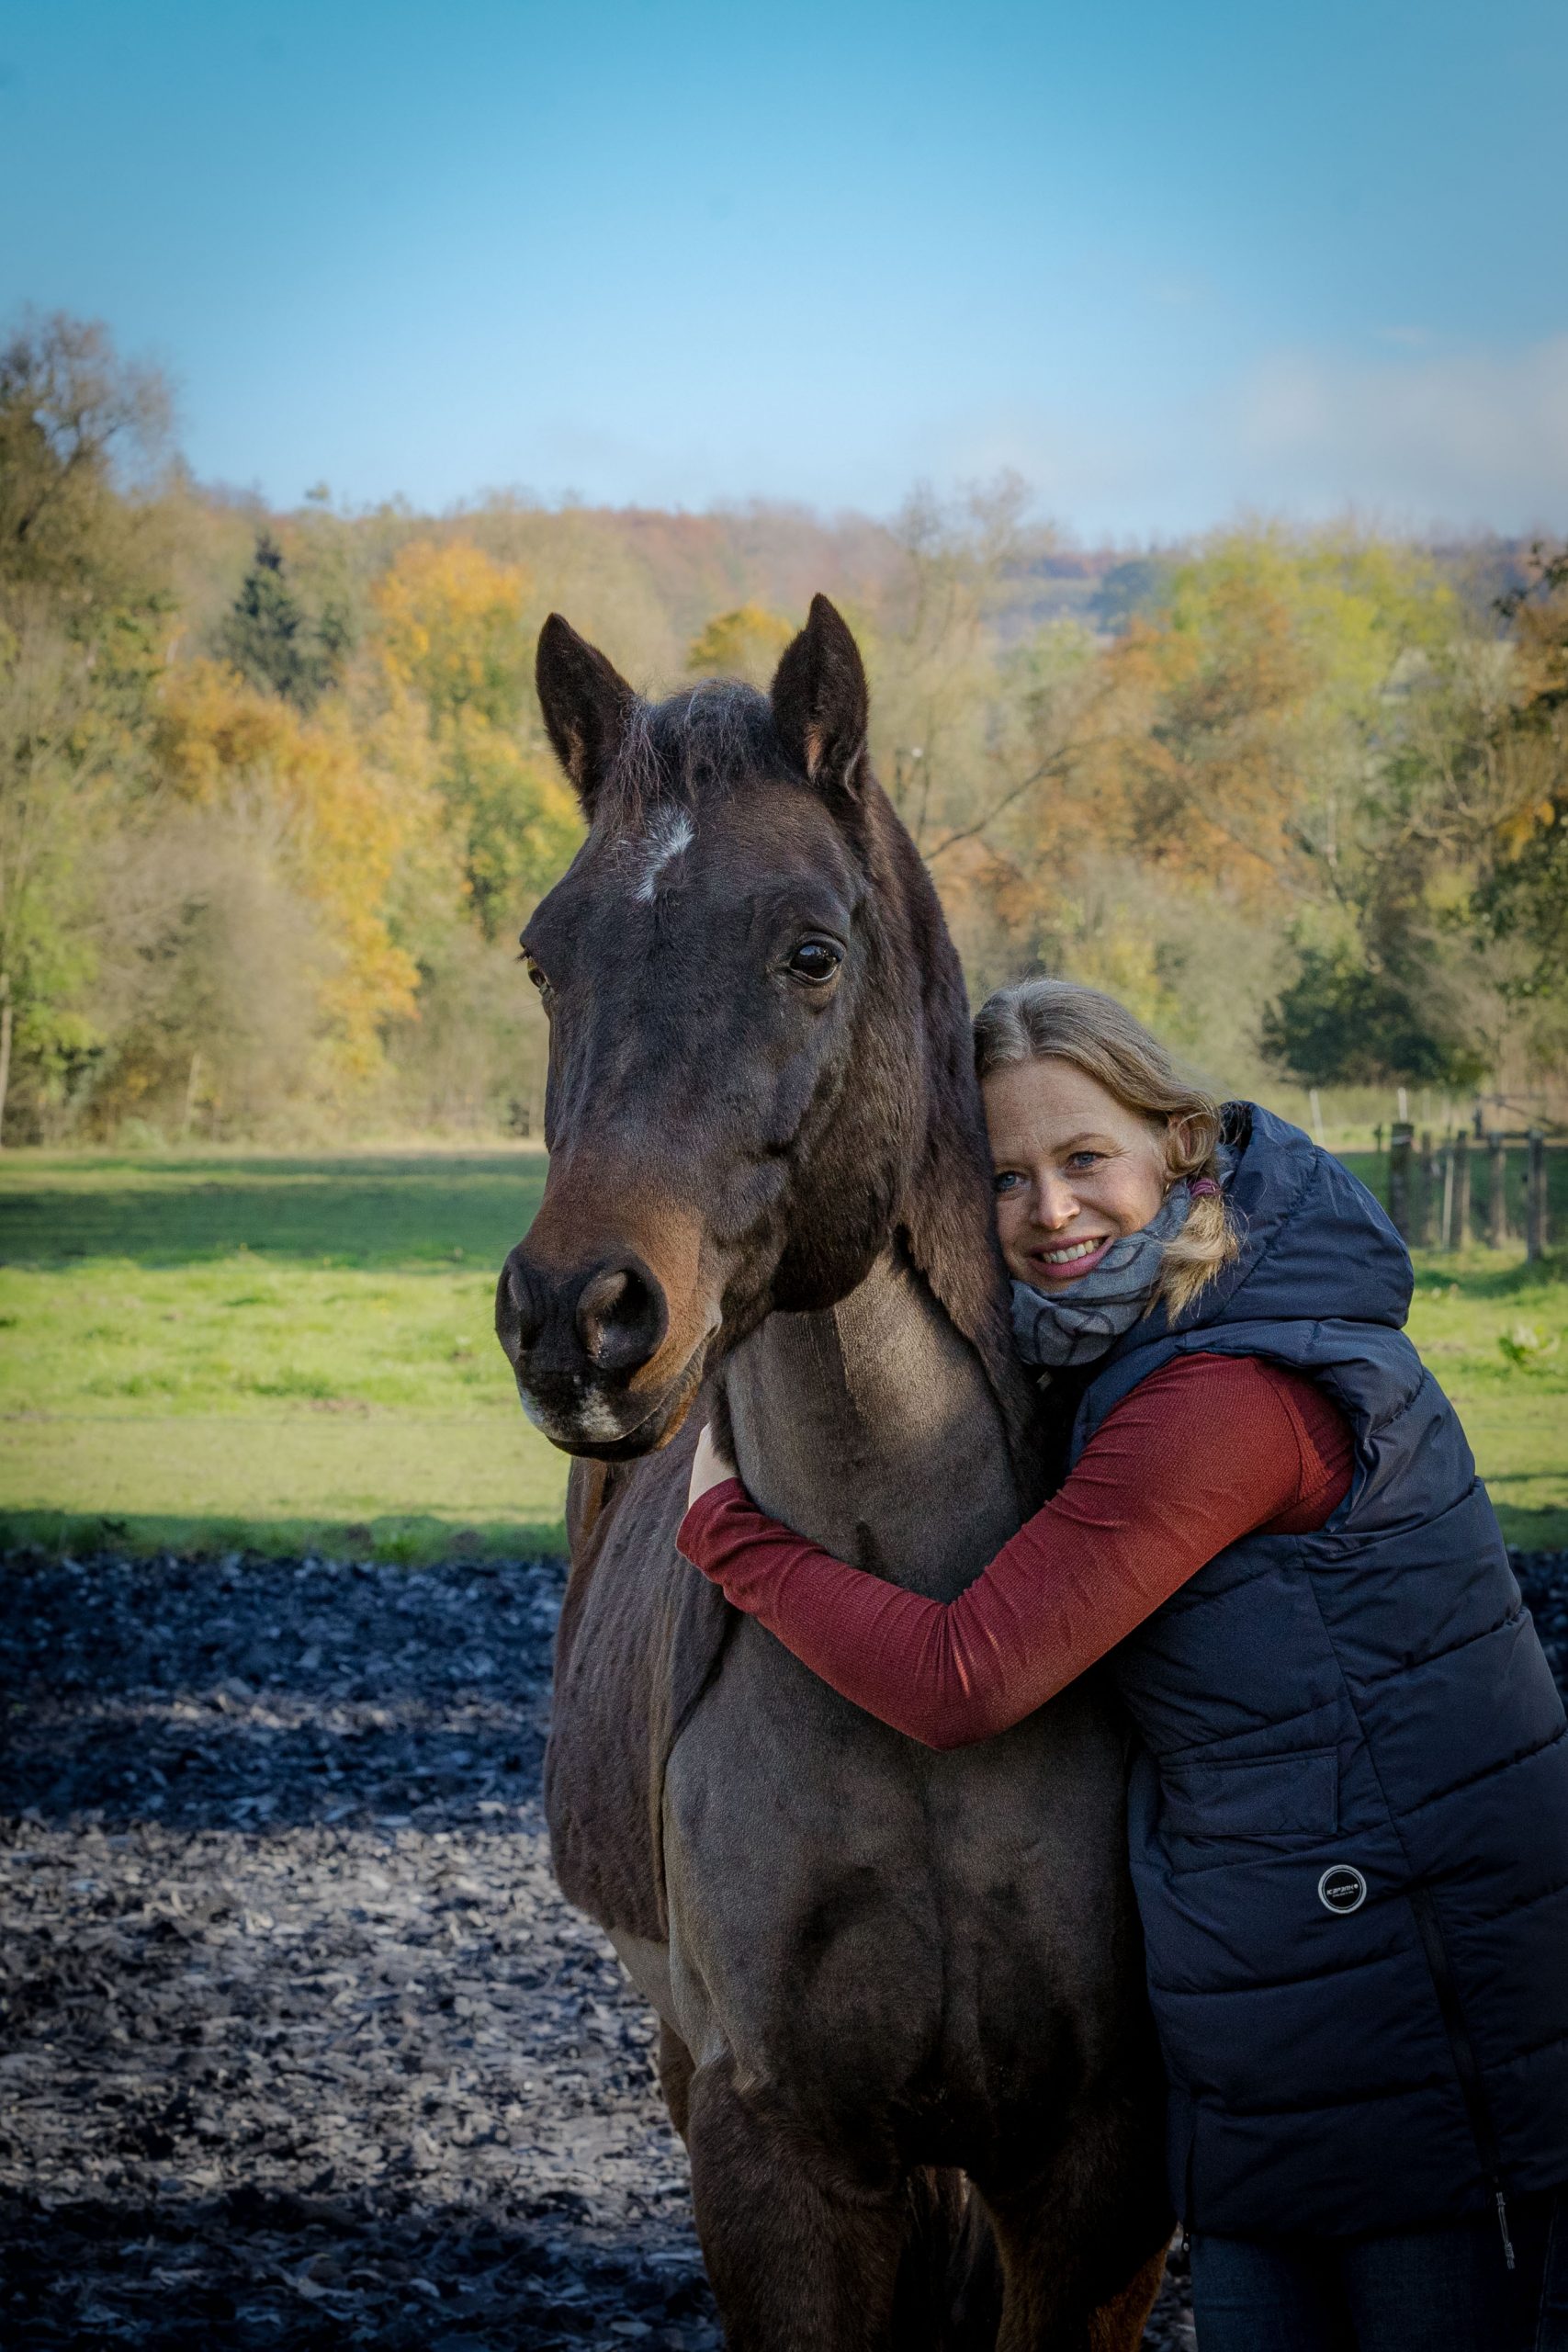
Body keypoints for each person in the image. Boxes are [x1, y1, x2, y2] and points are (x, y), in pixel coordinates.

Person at [678, 977, 1568, 2352]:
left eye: (1086, 1157)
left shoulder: (1220, 1396)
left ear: (1183, 1147)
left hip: (1404, 1991)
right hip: (1290, 1989)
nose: (1049, 1211)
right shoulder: (1150, 1342)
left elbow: (966, 1678)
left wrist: (727, 1533)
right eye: (1004, 1176)